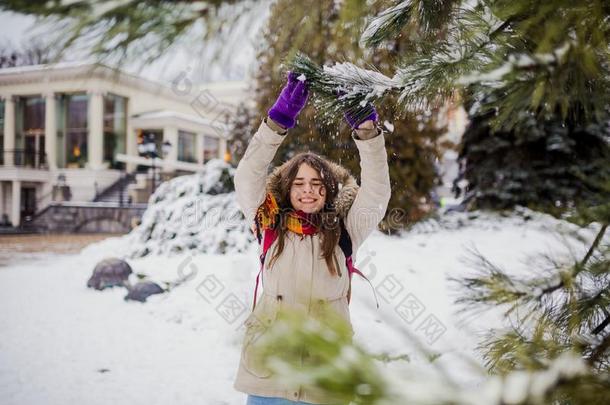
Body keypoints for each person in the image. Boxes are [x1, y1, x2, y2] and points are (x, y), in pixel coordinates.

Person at [233, 71, 391, 404]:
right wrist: (278, 122)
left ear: (329, 190)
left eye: (317, 184)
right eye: (300, 184)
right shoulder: (268, 221)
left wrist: (367, 133)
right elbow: (247, 176)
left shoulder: (346, 229)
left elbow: (376, 191)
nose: (308, 191)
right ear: (287, 188)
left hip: (325, 376)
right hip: (270, 374)